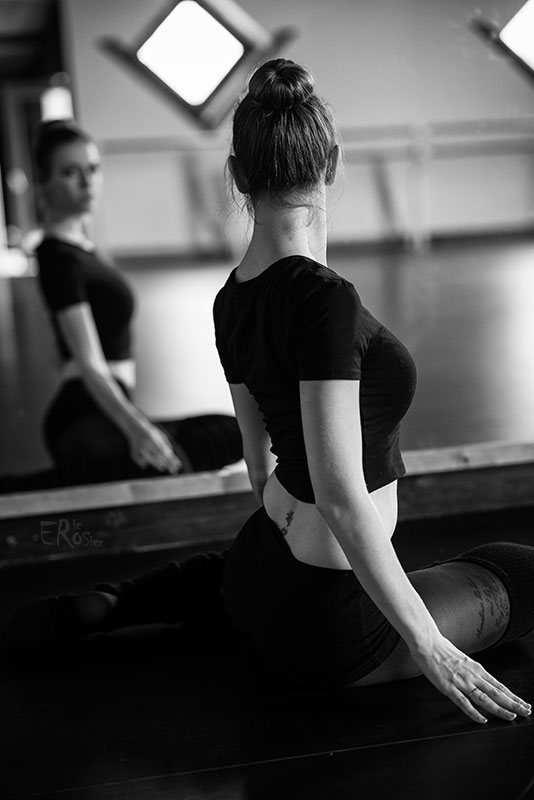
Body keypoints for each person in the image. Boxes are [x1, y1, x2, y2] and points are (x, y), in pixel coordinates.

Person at [4, 62, 533, 727]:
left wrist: (292, 523)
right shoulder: (326, 301)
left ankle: (125, 600)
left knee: (234, 574)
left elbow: (260, 469)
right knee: (522, 570)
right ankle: (167, 599)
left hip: (264, 566)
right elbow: (340, 497)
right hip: (329, 625)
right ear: (331, 163)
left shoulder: (232, 299)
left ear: (236, 173)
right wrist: (431, 645)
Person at [31, 119, 242, 486]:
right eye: (70, 172)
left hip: (106, 409)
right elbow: (89, 363)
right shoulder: (57, 259)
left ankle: (81, 472)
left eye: (93, 169)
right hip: (81, 413)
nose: (87, 182)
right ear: (44, 182)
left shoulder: (82, 250)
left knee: (232, 433)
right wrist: (137, 429)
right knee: (173, 461)